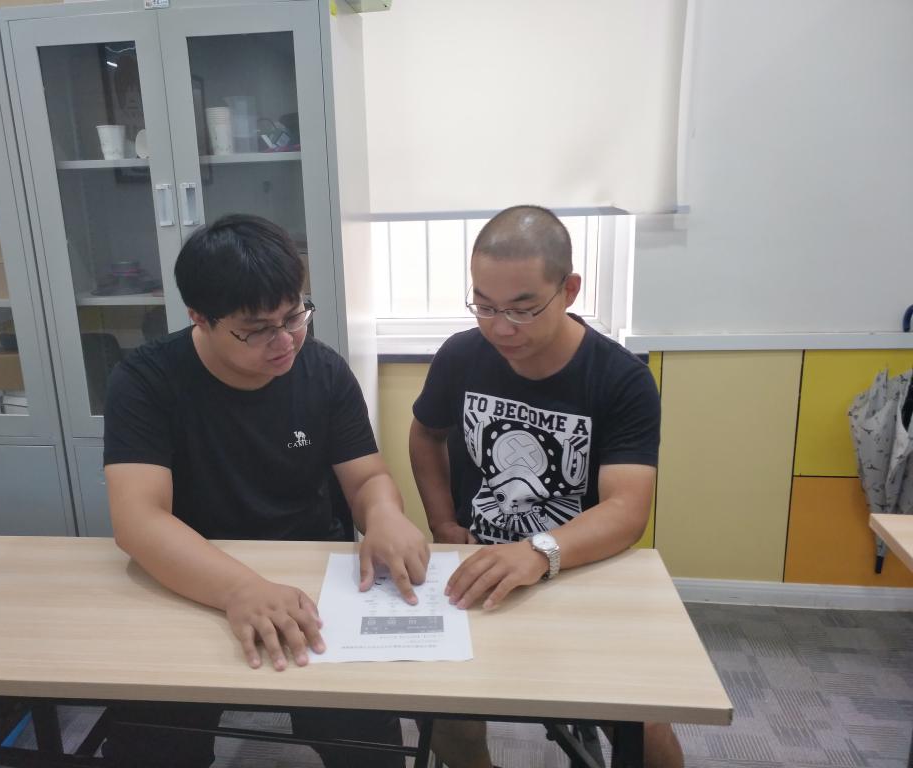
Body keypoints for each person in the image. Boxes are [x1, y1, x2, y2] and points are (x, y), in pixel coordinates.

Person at [103, 213, 430, 767]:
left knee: (368, 746)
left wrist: (385, 516)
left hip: (308, 580)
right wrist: (239, 589)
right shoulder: (147, 380)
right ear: (199, 318)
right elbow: (139, 520)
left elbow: (367, 478)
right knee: (152, 740)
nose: (285, 341)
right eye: (256, 329)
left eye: (294, 315)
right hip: (192, 577)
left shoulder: (322, 370)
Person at [409, 205, 684, 768]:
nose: (500, 327)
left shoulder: (620, 379)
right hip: (478, 564)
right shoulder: (461, 355)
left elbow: (627, 509)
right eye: (484, 305)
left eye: (522, 308)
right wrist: (441, 522)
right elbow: (425, 434)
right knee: (440, 700)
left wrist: (539, 552)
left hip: (580, 569)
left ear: (569, 290)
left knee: (642, 715)